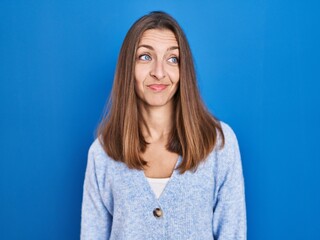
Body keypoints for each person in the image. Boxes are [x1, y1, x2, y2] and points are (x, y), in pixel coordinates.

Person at [81, 11, 246, 240]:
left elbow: (233, 234)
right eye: (145, 57)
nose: (159, 72)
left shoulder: (219, 144)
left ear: (183, 70)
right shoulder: (102, 154)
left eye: (172, 59)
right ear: (128, 68)